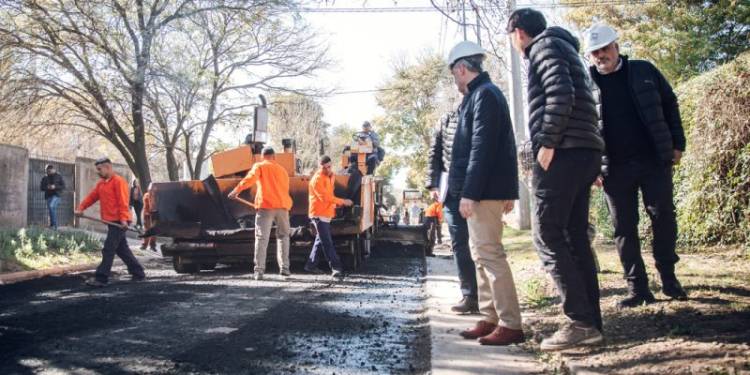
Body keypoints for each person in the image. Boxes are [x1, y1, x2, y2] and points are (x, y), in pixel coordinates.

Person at [508, 9, 606, 350]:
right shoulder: (566, 48)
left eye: (513, 37)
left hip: (564, 150)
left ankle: (580, 322)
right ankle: (591, 321)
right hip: (585, 149)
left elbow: (560, 93)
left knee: (547, 235)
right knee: (574, 236)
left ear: (518, 33)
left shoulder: (544, 47)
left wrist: (548, 141)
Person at [585, 24, 688, 307]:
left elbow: (670, 104)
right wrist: (592, 167)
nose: (601, 55)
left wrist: (677, 144)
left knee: (663, 217)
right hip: (613, 169)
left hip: (654, 160)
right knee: (624, 228)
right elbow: (582, 127)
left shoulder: (644, 70)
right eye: (595, 52)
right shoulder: (585, 84)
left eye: (605, 48)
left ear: (617, 46)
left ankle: (669, 278)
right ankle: (637, 289)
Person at [442, 40, 525, 346]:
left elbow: (483, 148)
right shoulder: (481, 95)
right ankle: (491, 317)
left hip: (483, 191)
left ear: (462, 69)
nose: (454, 79)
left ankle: (510, 323)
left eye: (454, 74)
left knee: (490, 255)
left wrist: (469, 192)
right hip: (485, 189)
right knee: (480, 255)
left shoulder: (484, 96)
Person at [426, 111, 479, 315]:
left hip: (477, 186)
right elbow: (435, 151)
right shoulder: (446, 119)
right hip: (451, 190)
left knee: (482, 243)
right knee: (459, 243)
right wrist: (433, 183)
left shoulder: (481, 111)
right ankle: (469, 294)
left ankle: (488, 295)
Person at [75, 158, 146, 287]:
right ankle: (138, 273)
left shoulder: (119, 182)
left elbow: (123, 202)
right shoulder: (102, 184)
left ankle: (101, 278)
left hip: (119, 221)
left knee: (108, 249)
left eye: (99, 169)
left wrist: (124, 219)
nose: (98, 172)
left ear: (107, 167)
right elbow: (92, 197)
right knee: (122, 249)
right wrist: (81, 208)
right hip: (111, 221)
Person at [228, 147, 293, 280]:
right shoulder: (282, 170)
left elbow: (249, 179)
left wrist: (236, 191)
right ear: (274, 157)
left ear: (262, 157)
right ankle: (285, 268)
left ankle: (259, 271)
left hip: (266, 206)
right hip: (283, 207)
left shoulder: (260, 166)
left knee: (262, 238)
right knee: (284, 237)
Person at [304, 155, 353, 279]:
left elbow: (329, 195)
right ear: (320, 166)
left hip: (326, 213)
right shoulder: (317, 179)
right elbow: (324, 198)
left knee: (320, 240)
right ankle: (336, 268)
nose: (328, 169)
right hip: (318, 214)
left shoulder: (331, 176)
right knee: (327, 242)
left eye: (330, 167)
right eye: (325, 167)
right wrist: (343, 202)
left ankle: (310, 265)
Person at [40, 164, 65, 229]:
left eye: (50, 170)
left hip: (57, 196)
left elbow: (63, 186)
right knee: (51, 210)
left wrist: (55, 187)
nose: (49, 172)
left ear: (54, 169)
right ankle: (52, 225)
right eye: (48, 171)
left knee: (51, 207)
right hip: (48, 196)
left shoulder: (59, 176)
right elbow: (41, 188)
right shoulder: (44, 178)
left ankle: (55, 226)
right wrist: (47, 187)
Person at [140, 183, 157, 251]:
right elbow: (146, 206)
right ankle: (145, 245)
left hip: (154, 215)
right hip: (147, 215)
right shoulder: (146, 196)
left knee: (154, 231)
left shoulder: (156, 196)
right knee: (147, 230)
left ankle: (152, 245)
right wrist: (148, 212)